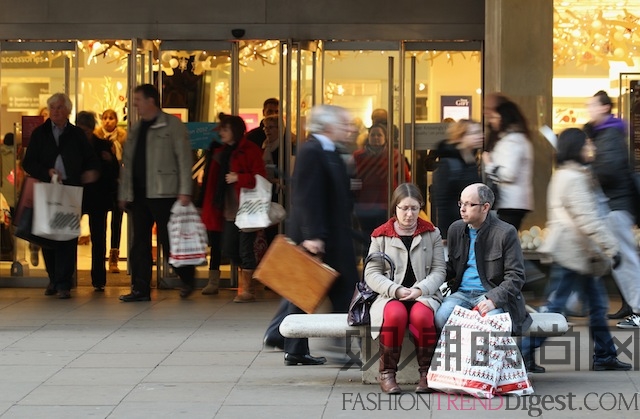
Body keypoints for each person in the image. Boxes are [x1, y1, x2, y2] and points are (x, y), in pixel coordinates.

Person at [520, 128, 630, 373]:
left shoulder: (569, 174)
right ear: (575, 148)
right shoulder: (572, 178)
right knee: (557, 307)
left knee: (597, 306)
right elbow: (587, 219)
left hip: (579, 254)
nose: (590, 148)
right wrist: (612, 248)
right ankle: (524, 353)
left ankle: (604, 355)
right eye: (585, 145)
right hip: (573, 254)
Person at [278, 104, 359, 365]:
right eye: (343, 123)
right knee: (334, 290)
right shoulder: (312, 150)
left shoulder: (330, 150)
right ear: (327, 125)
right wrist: (312, 235)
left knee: (310, 291)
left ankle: (295, 348)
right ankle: (336, 347)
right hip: (322, 236)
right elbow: (306, 196)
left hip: (333, 233)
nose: (348, 128)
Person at [365, 183, 445, 394]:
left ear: (420, 208)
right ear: (395, 208)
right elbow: (371, 273)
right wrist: (396, 290)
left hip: (424, 295)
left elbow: (439, 270)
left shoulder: (432, 233)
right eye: (404, 208)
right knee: (395, 315)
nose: (409, 214)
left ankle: (426, 373)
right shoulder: (381, 235)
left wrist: (419, 290)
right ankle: (387, 374)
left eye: (414, 208)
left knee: (422, 317)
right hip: (390, 296)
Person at [118, 84, 195, 302]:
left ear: (151, 101)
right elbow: (128, 164)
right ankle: (140, 289)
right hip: (139, 195)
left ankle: (187, 277)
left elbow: (183, 158)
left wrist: (185, 190)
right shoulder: (135, 129)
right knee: (139, 243)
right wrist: (124, 193)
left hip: (165, 192)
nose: (135, 105)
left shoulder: (172, 125)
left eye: (138, 100)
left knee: (169, 241)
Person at [22, 93, 100, 299]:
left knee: (67, 237)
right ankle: (53, 280)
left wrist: (91, 171)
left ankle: (64, 283)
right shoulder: (40, 133)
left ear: (67, 110)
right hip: (47, 190)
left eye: (59, 107)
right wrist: (45, 171)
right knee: (47, 237)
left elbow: (90, 158)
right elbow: (28, 162)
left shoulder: (76, 134)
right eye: (52, 107)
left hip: (69, 191)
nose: (55, 111)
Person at [434, 183, 532, 336]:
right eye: (461, 203)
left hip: (491, 293)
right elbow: (452, 267)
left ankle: (481, 360)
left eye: (469, 204)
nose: (462, 209)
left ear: (485, 207)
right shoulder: (456, 229)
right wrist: (429, 276)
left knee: (490, 326)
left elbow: (516, 276)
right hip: (462, 293)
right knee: (442, 316)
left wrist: (493, 299)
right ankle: (460, 359)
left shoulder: (505, 232)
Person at [584, 90, 640, 328]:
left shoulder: (609, 135)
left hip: (615, 207)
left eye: (593, 105)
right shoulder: (605, 135)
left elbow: (608, 170)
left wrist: (589, 164)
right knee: (617, 259)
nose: (589, 109)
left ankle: (638, 310)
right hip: (613, 206)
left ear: (605, 107)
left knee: (624, 260)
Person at [198, 113, 266, 300]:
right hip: (228, 209)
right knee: (228, 248)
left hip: (247, 209)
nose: (221, 132)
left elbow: (261, 177)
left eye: (225, 129)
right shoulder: (220, 152)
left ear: (235, 131)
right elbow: (211, 184)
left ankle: (248, 290)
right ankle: (251, 279)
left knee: (245, 248)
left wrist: (239, 177)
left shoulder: (249, 150)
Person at [353, 123, 411, 260]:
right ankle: (370, 270)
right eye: (373, 135)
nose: (376, 138)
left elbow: (405, 181)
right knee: (368, 240)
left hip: (388, 206)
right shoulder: (358, 156)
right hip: (365, 207)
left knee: (388, 239)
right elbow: (352, 180)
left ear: (386, 138)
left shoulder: (395, 156)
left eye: (379, 135)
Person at [76, 111, 119, 292]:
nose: (83, 134)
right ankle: (67, 276)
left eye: (86, 131)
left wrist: (108, 163)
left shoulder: (102, 144)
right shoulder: (72, 144)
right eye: (80, 130)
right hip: (76, 196)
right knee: (69, 237)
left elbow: (115, 171)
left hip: (98, 197)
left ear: (92, 129)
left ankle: (99, 279)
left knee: (99, 239)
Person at [482, 100, 533, 231]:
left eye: (494, 117)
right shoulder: (515, 139)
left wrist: (489, 164)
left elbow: (509, 174)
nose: (491, 121)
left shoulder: (513, 141)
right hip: (511, 201)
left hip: (510, 202)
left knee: (503, 245)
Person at [431, 119, 483, 241]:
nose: (479, 136)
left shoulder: (470, 160)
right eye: (473, 133)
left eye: (479, 132)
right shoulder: (449, 162)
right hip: (456, 229)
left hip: (470, 226)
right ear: (461, 136)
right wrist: (445, 235)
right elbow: (442, 202)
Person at [95, 109, 127, 273]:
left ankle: (113, 259)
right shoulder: (96, 137)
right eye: (105, 118)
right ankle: (99, 259)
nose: (108, 121)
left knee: (117, 222)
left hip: (118, 184)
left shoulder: (123, 138)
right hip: (101, 185)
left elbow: (127, 161)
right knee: (101, 223)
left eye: (111, 118)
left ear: (116, 120)